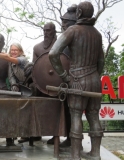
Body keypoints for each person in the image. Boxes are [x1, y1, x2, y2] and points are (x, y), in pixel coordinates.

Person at [49, 1, 105, 159]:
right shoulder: (97, 34)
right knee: (93, 115)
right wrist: (94, 75)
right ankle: (95, 154)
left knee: (75, 115)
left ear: (79, 13)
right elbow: (101, 61)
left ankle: (75, 155)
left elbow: (53, 53)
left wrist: (65, 76)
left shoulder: (72, 30)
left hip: (77, 79)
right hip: (95, 80)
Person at [20, 22, 57, 144]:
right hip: (40, 82)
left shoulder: (60, 46)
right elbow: (35, 66)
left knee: (57, 108)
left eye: (49, 31)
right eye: (45, 30)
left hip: (56, 82)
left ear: (54, 31)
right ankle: (33, 133)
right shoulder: (37, 48)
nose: (46, 33)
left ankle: (56, 134)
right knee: (32, 95)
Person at [58, 4, 78, 149]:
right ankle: (70, 138)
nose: (63, 25)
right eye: (63, 22)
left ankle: (74, 141)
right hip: (68, 80)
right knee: (68, 110)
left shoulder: (76, 38)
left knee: (75, 112)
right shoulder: (66, 39)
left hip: (75, 79)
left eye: (66, 22)